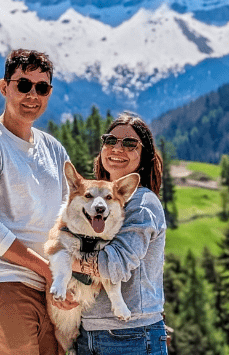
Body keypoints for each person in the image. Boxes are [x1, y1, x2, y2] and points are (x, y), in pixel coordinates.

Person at [0, 48, 72, 355]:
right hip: (3, 283)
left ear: (50, 93)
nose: (32, 95)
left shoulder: (54, 150)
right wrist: (47, 269)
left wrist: (68, 274)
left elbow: (68, 221)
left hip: (50, 290)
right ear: (4, 87)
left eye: (41, 87)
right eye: (23, 85)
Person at [74, 112, 168, 355]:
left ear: (144, 156)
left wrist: (63, 260)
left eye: (129, 144)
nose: (117, 148)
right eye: (110, 141)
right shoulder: (93, 202)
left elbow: (113, 266)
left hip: (131, 334)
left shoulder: (141, 203)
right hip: (90, 332)